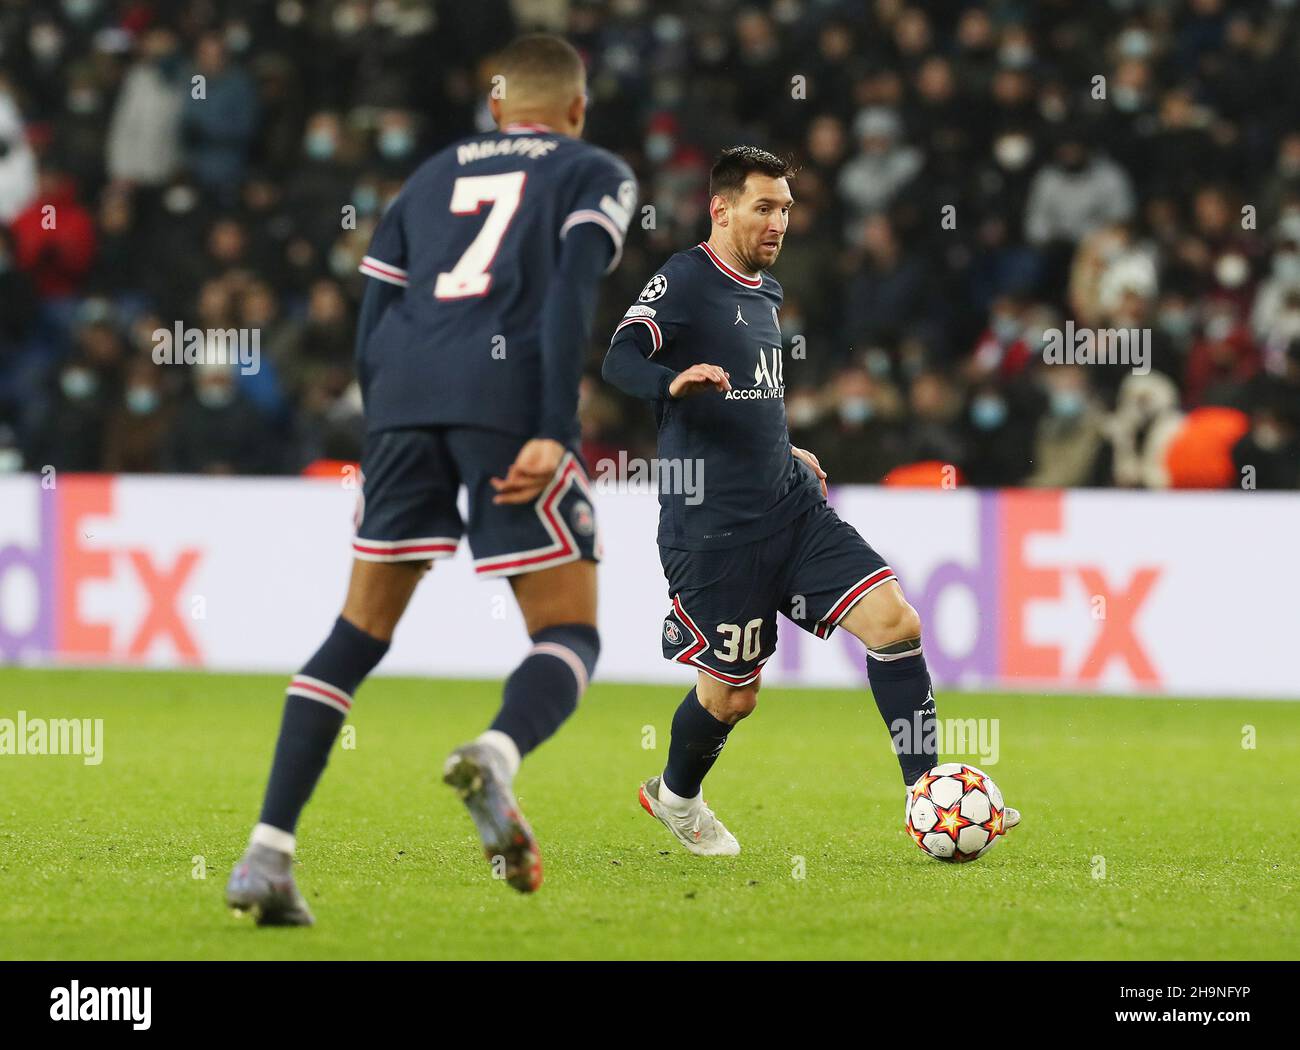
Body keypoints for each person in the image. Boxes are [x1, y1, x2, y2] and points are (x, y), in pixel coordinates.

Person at [226, 34, 637, 923]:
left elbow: (374, 314)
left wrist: (391, 426)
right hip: (507, 402)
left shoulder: (428, 176)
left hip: (403, 404)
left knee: (356, 632)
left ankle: (267, 852)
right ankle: (495, 751)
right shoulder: (592, 170)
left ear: (496, 106)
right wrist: (556, 428)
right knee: (570, 631)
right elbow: (570, 291)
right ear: (575, 106)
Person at [601, 146, 1019, 857]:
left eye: (787, 208)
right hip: (714, 530)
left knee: (894, 622)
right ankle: (676, 796)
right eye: (764, 207)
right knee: (732, 697)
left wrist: (781, 448)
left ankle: (927, 796)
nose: (779, 222)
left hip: (791, 509)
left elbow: (756, 393)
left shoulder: (764, 291)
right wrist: (669, 385)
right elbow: (619, 358)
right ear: (721, 208)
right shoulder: (686, 279)